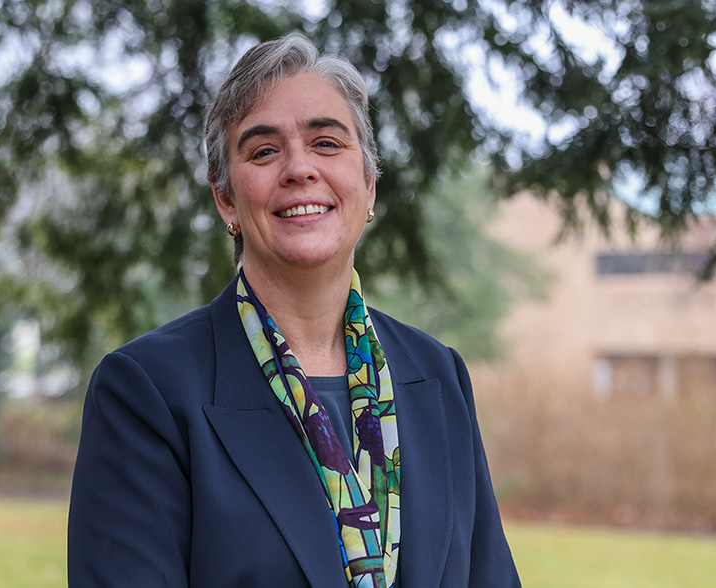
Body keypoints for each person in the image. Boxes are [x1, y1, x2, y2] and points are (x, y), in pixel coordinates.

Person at [68, 34, 520, 588]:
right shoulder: (147, 393)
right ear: (226, 197)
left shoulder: (440, 377)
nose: (299, 168)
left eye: (327, 143)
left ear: (369, 184)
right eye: (263, 151)